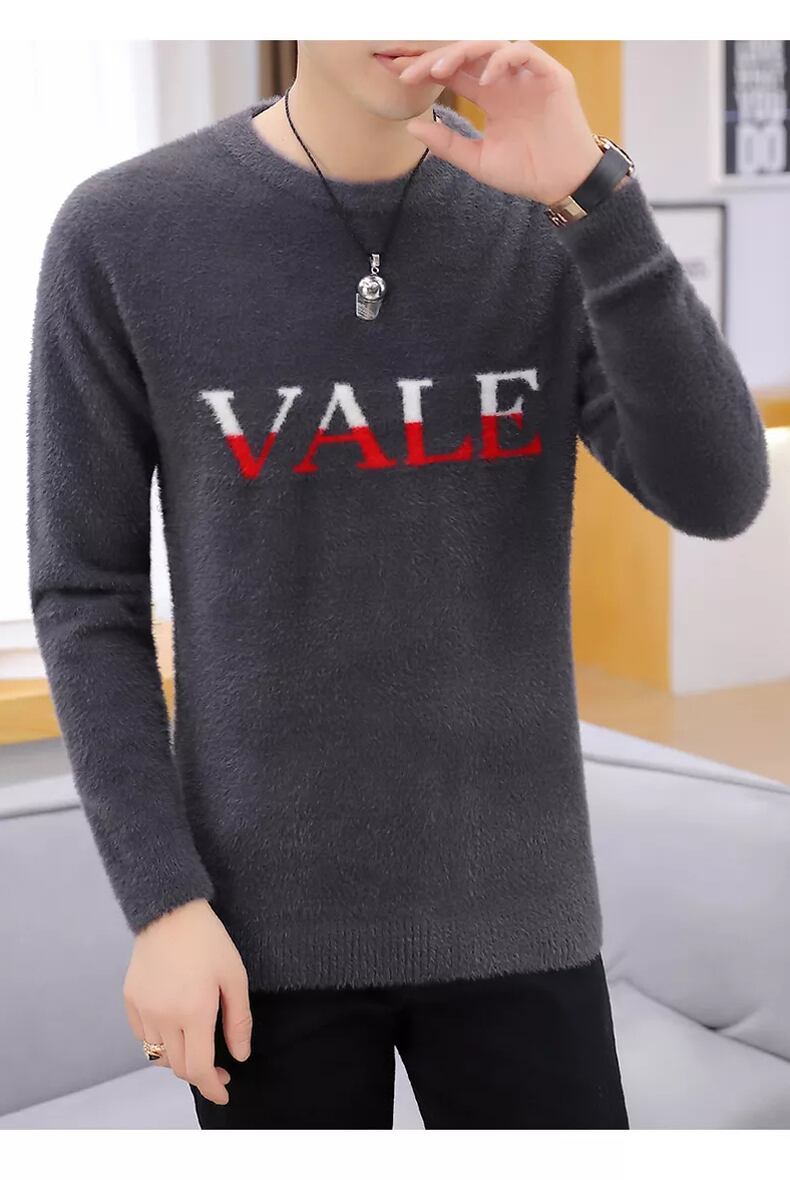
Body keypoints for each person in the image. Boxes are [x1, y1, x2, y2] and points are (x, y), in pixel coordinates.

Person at [26, 39, 770, 1130]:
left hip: (519, 903)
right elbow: (85, 595)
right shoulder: (123, 231)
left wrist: (595, 201)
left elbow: (718, 494)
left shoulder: (547, 218)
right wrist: (163, 903)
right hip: (255, 933)